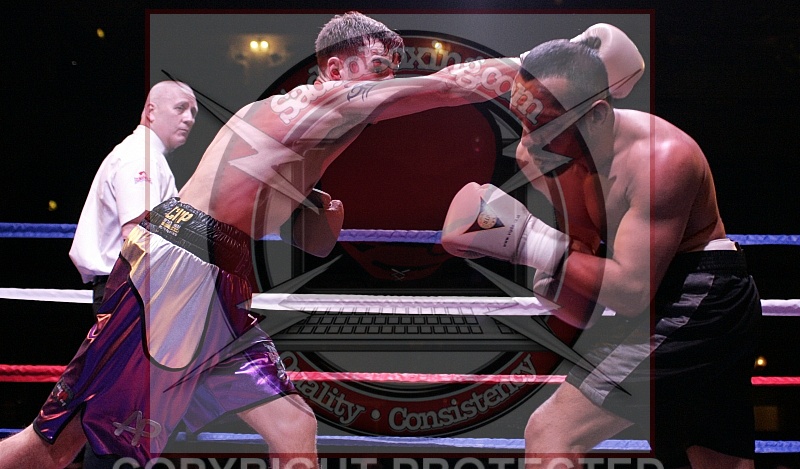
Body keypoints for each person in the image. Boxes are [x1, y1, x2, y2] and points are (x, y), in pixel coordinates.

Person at [0, 12, 527, 469]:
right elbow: (448, 87)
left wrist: (319, 211)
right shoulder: (318, 105)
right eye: (379, 68)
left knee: (293, 423)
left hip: (223, 278)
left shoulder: (305, 129)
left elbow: (312, 244)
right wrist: (534, 68)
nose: (390, 81)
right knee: (58, 447)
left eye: (393, 68)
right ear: (336, 70)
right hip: (180, 265)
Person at [441, 24, 761, 468]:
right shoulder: (539, 156)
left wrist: (525, 239)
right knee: (714, 461)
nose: (528, 139)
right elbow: (584, 282)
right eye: (523, 119)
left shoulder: (661, 160)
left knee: (552, 431)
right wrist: (550, 280)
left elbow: (629, 291)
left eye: (544, 124)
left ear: (596, 116)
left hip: (700, 294)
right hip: (653, 293)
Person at [70, 80, 198, 317]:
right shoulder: (140, 155)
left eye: (193, 112)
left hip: (132, 288)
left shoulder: (147, 154)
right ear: (151, 111)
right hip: (132, 290)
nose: (189, 118)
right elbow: (136, 233)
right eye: (180, 108)